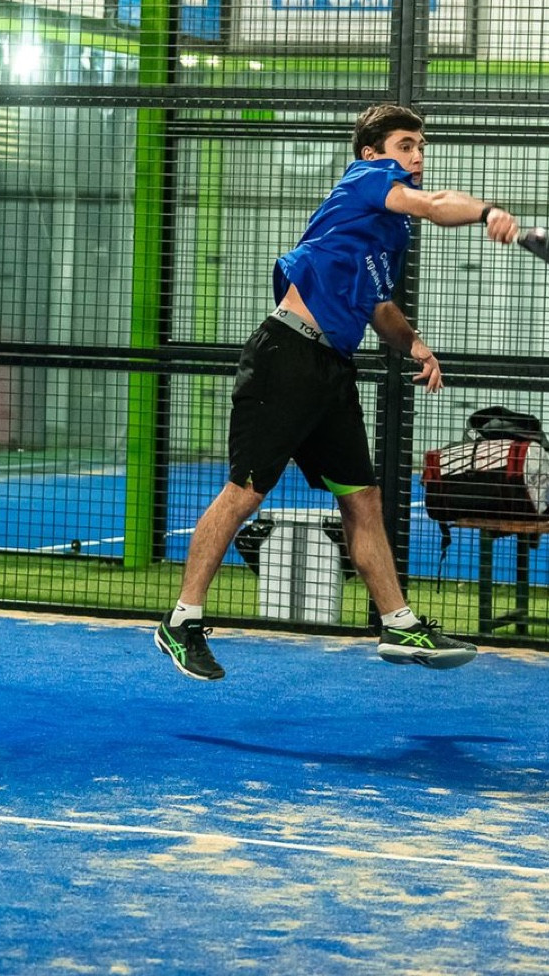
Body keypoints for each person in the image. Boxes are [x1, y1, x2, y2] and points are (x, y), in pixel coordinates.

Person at [156, 103, 521, 680]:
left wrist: (416, 346)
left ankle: (398, 624)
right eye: (406, 145)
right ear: (373, 153)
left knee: (362, 498)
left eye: (421, 147)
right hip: (285, 357)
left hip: (330, 370)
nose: (417, 156)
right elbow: (434, 203)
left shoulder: (386, 230)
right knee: (245, 492)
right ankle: (182, 621)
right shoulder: (367, 179)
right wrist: (487, 211)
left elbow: (378, 306)